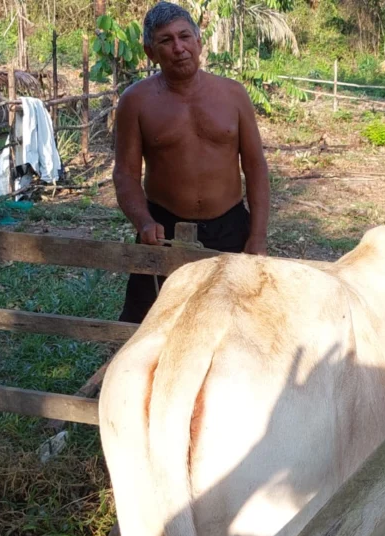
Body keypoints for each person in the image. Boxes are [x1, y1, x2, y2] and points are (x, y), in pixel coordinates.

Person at [113, 1, 269, 323]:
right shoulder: (136, 101)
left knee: (237, 323)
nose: (179, 48)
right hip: (162, 230)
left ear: (199, 42)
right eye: (166, 41)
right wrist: (143, 222)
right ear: (150, 52)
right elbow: (126, 174)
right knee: (146, 326)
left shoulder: (233, 95)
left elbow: (255, 167)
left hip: (230, 227)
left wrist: (257, 235)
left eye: (185, 37)